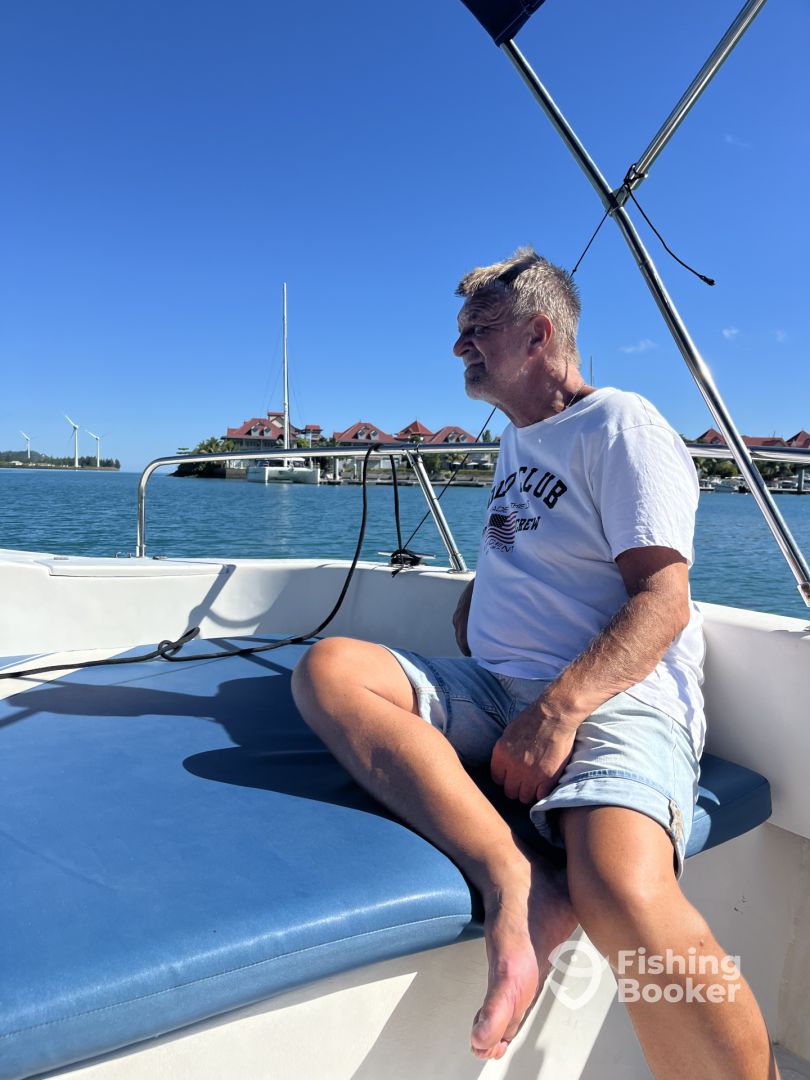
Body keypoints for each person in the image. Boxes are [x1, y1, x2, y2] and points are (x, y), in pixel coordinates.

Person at [291, 248, 778, 1077]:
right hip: (495, 687)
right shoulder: (520, 441)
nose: (459, 347)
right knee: (330, 669)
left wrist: (557, 712)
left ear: (538, 335)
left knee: (621, 892)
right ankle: (515, 878)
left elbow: (663, 602)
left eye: (478, 329)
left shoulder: (621, 425)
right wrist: (482, 597)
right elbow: (544, 547)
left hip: (613, 698)